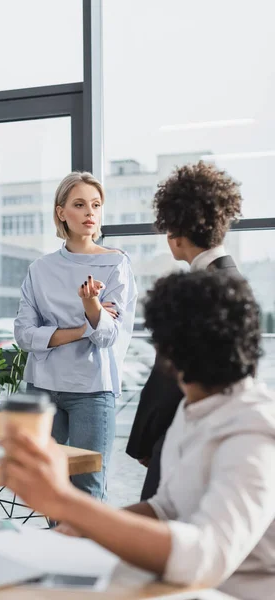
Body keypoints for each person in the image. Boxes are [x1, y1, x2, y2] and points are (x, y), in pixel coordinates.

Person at [1, 271, 275, 600]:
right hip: (176, 584)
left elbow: (204, 559)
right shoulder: (199, 407)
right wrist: (86, 528)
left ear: (168, 351)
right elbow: (166, 507)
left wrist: (66, 502)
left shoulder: (255, 430)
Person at [14, 171, 137, 500]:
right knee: (49, 486)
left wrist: (90, 306)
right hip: (41, 389)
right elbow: (24, 335)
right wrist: (86, 325)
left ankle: (89, 553)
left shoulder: (116, 264)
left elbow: (109, 337)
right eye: (79, 204)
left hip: (92, 391)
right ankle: (60, 552)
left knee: (88, 486)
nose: (90, 213)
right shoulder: (39, 269)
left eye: (96, 205)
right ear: (61, 212)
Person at [126, 161, 243, 499]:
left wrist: (143, 444)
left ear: (174, 234)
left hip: (184, 434)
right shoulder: (235, 281)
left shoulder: (195, 290)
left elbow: (168, 374)